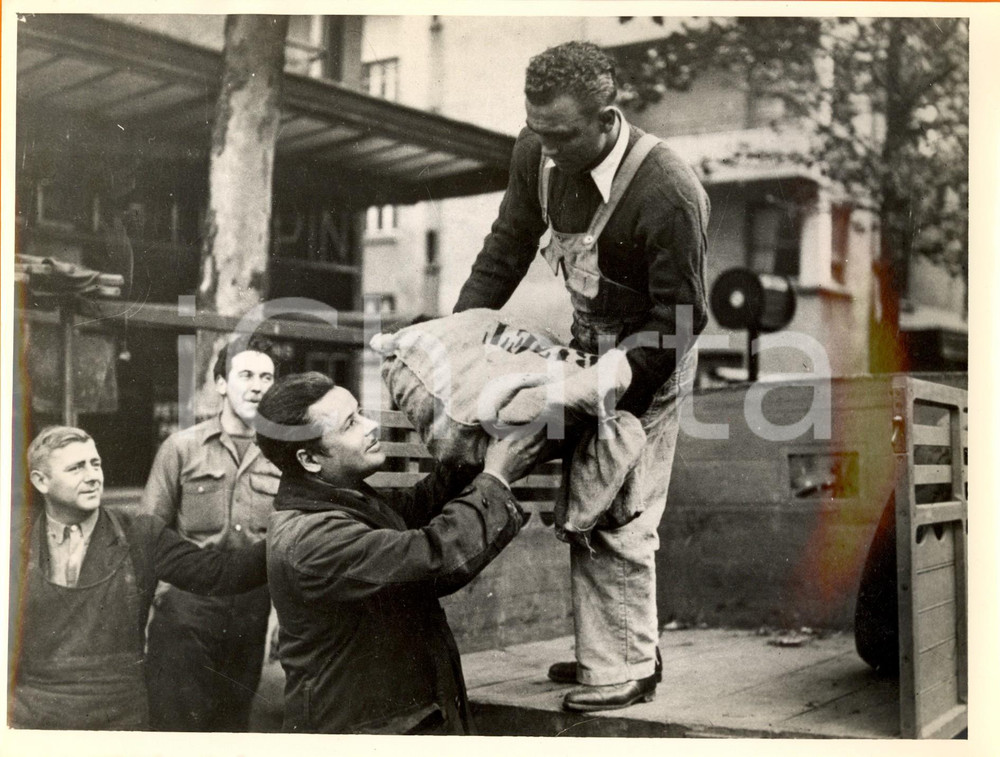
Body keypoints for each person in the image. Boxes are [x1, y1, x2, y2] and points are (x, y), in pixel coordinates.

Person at [453, 41, 709, 712]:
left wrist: (616, 378)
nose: (549, 149)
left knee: (620, 502)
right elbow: (506, 245)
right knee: (583, 496)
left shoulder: (669, 192)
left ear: (607, 118)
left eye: (563, 135)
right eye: (539, 131)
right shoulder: (536, 151)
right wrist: (457, 334)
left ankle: (624, 664)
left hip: (652, 350)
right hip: (585, 340)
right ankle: (615, 647)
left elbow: (685, 314)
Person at [256, 372, 539, 734]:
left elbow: (416, 507)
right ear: (310, 459)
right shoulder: (312, 538)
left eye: (360, 412)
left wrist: (471, 450)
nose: (372, 425)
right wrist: (496, 478)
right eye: (351, 424)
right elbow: (432, 557)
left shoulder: (339, 498)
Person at [8, 426, 267, 730]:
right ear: (41, 481)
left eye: (96, 463)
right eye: (77, 467)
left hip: (120, 715)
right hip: (34, 715)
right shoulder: (14, 546)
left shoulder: (140, 534)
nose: (93, 476)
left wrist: (289, 536)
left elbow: (221, 574)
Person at [141, 337, 280, 731]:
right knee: (175, 728)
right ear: (220, 383)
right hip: (186, 610)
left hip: (252, 611)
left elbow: (289, 545)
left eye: (267, 377)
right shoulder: (182, 448)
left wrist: (279, 615)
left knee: (231, 727)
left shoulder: (283, 458)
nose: (257, 386)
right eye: (246, 375)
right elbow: (149, 533)